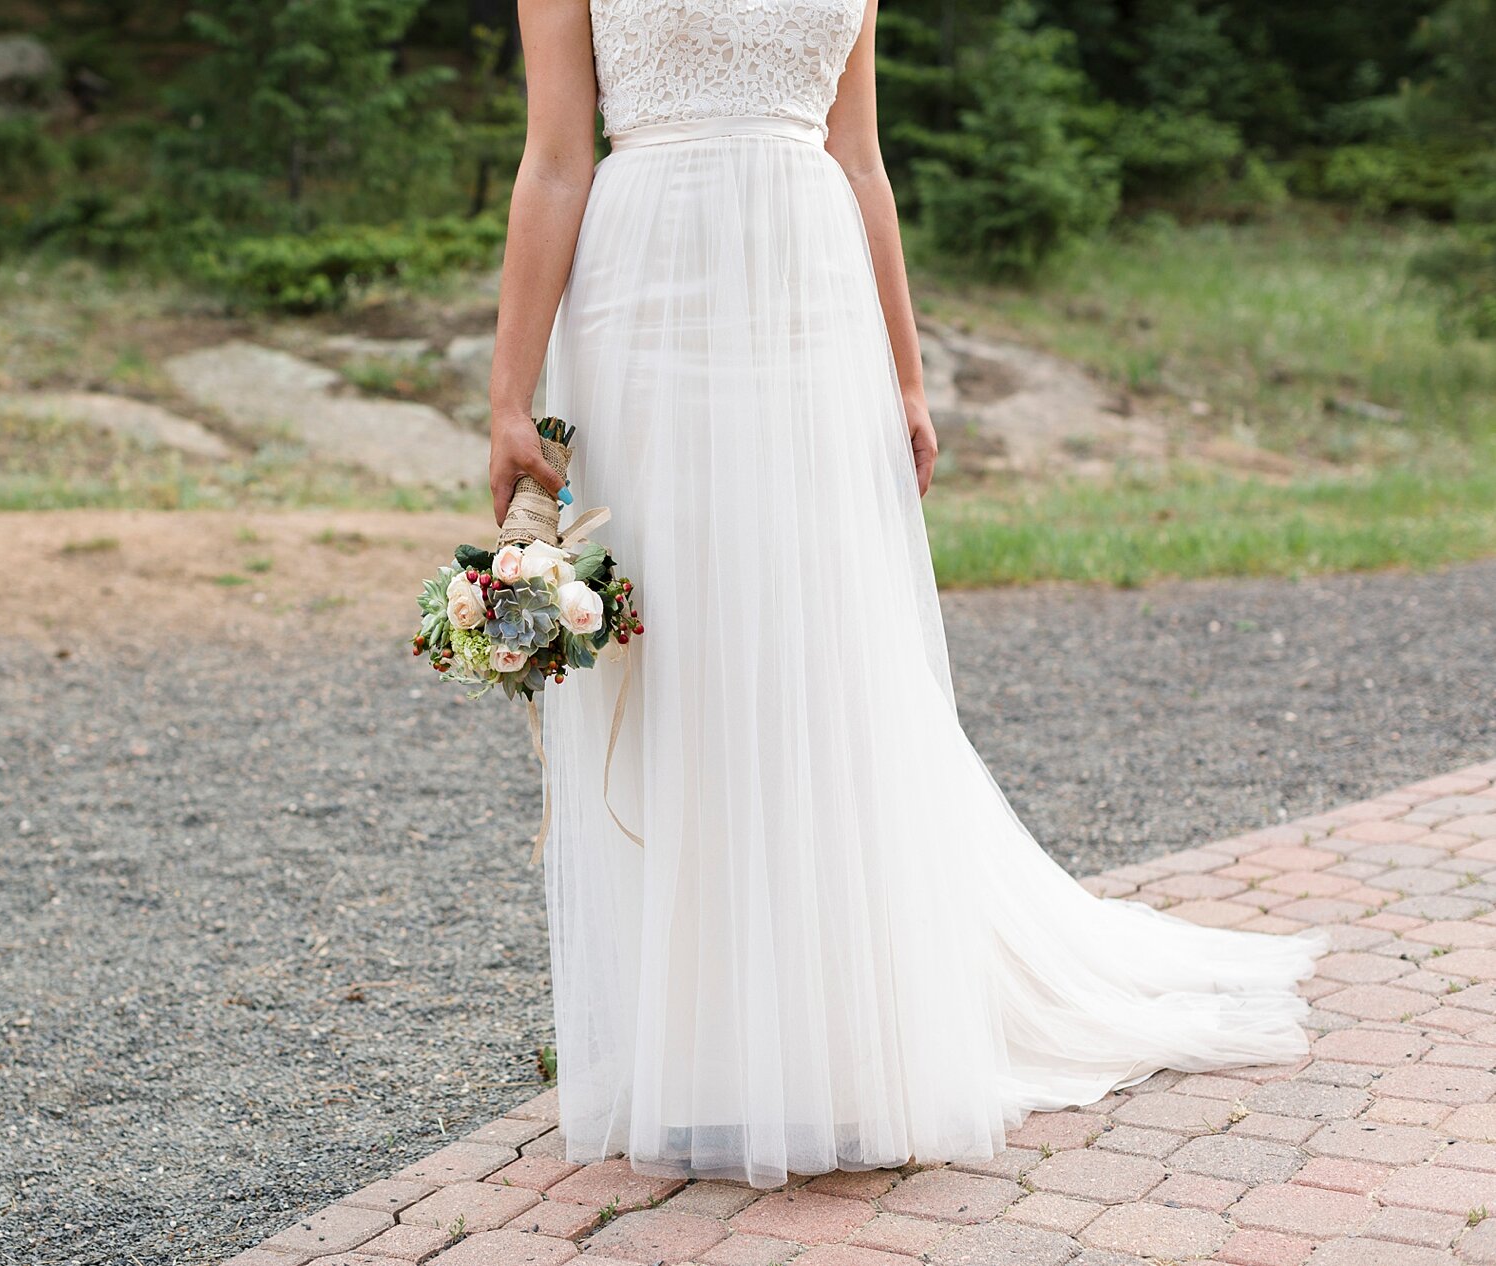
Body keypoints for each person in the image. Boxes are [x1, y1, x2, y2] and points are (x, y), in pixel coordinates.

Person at [482, 0, 1326, 1188]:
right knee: (683, 651)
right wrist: (510, 396)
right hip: (645, 297)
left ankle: (833, 1040)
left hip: (810, 302)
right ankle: (707, 1038)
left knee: (820, 653)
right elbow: (558, 158)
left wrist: (909, 378)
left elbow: (860, 160)